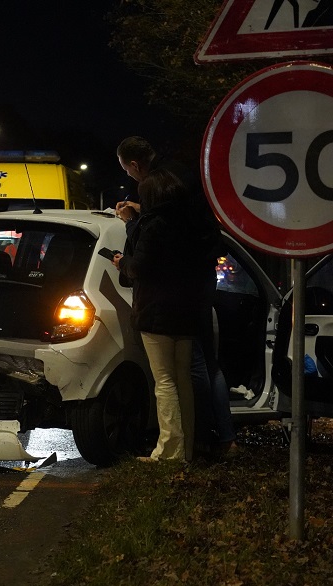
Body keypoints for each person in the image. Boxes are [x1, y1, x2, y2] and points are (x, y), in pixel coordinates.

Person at [115, 136, 237, 457]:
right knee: (193, 372)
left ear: (136, 166)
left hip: (159, 307)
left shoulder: (153, 224)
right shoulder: (182, 187)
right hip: (191, 298)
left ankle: (176, 449)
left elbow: (141, 261)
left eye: (129, 171)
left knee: (173, 378)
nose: (130, 177)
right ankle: (198, 444)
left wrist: (132, 228)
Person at [113, 169, 205, 462]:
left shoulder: (153, 226)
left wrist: (121, 261)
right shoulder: (191, 224)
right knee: (183, 380)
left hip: (156, 311)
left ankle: (168, 451)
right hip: (186, 310)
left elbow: (138, 267)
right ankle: (187, 448)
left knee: (164, 380)